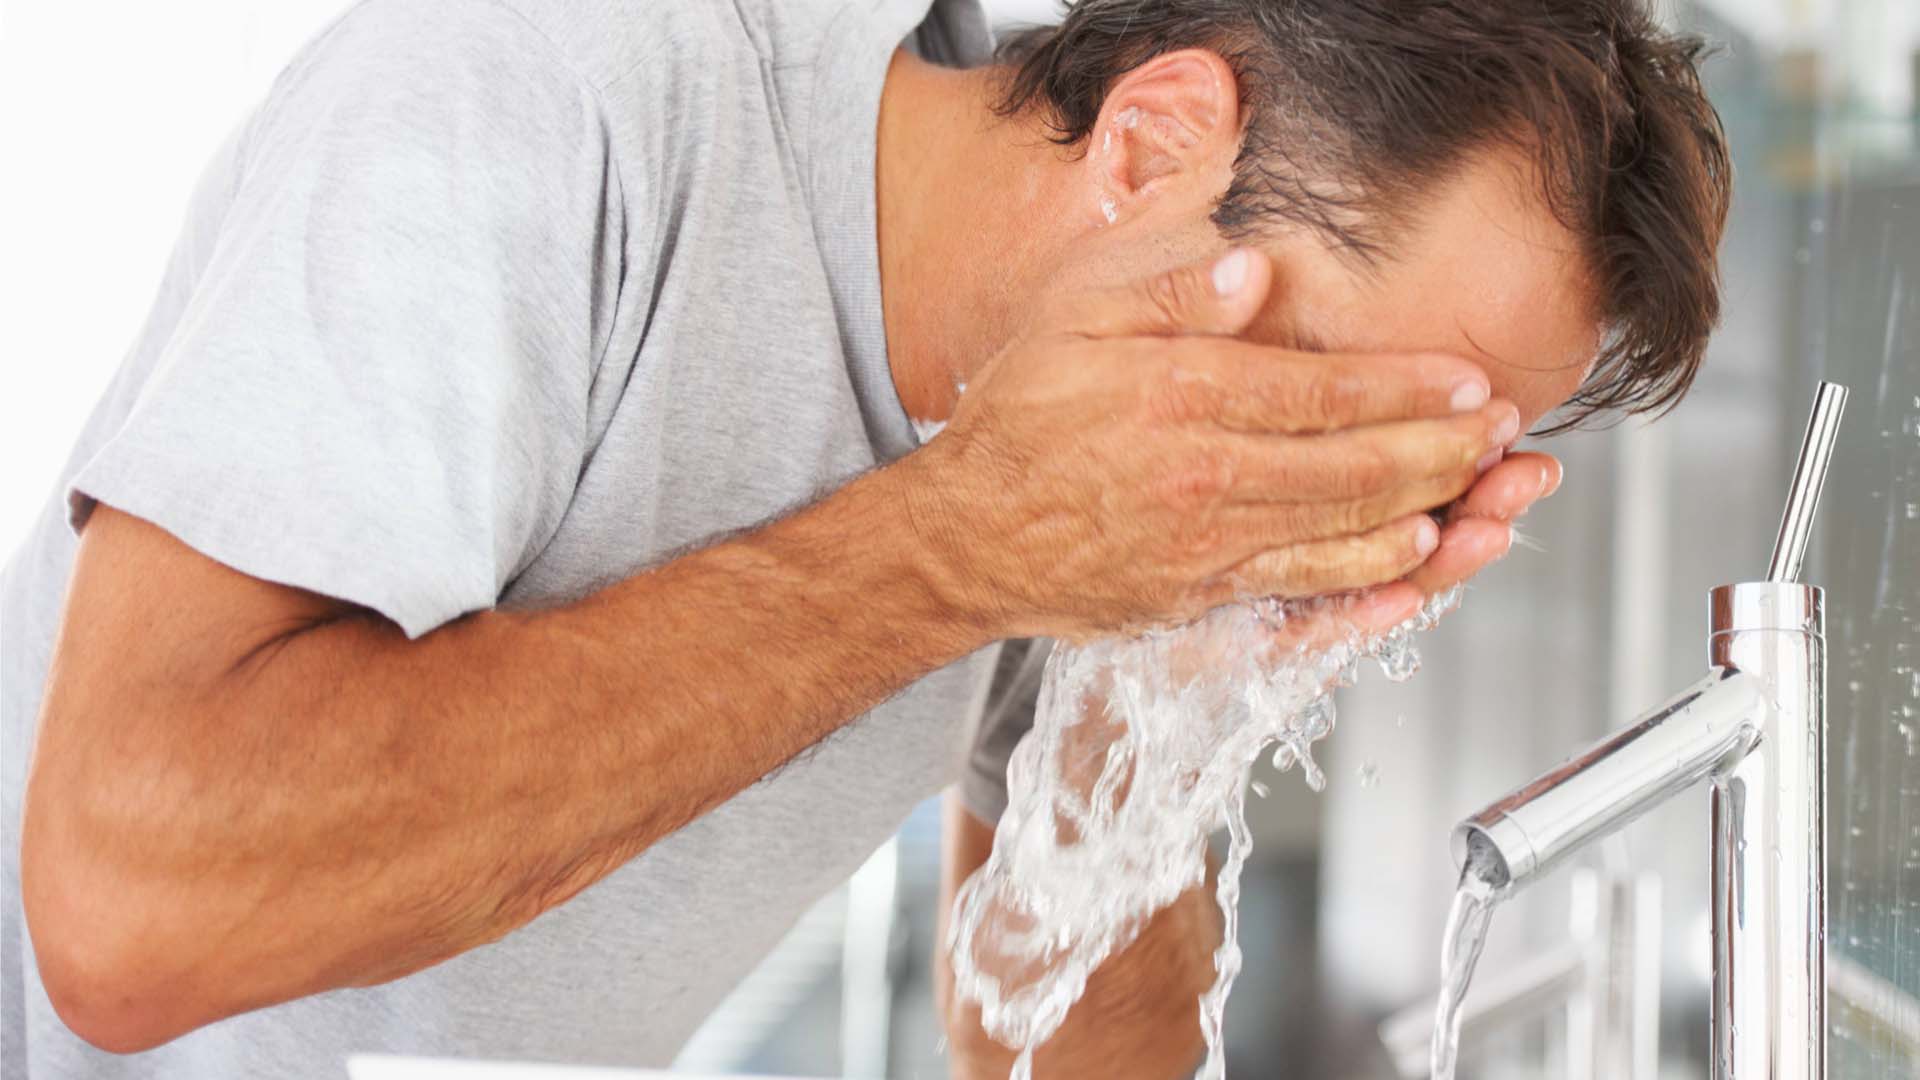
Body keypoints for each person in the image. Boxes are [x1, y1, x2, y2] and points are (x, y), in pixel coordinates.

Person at [0, 0, 1728, 1076]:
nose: (1335, 505)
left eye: (1418, 474)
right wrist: (956, 550)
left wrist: (1178, 684)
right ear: (1155, 144)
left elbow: (1048, 1046)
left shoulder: (1118, 436)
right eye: (1334, 416)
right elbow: (130, 913)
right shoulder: (541, 97)